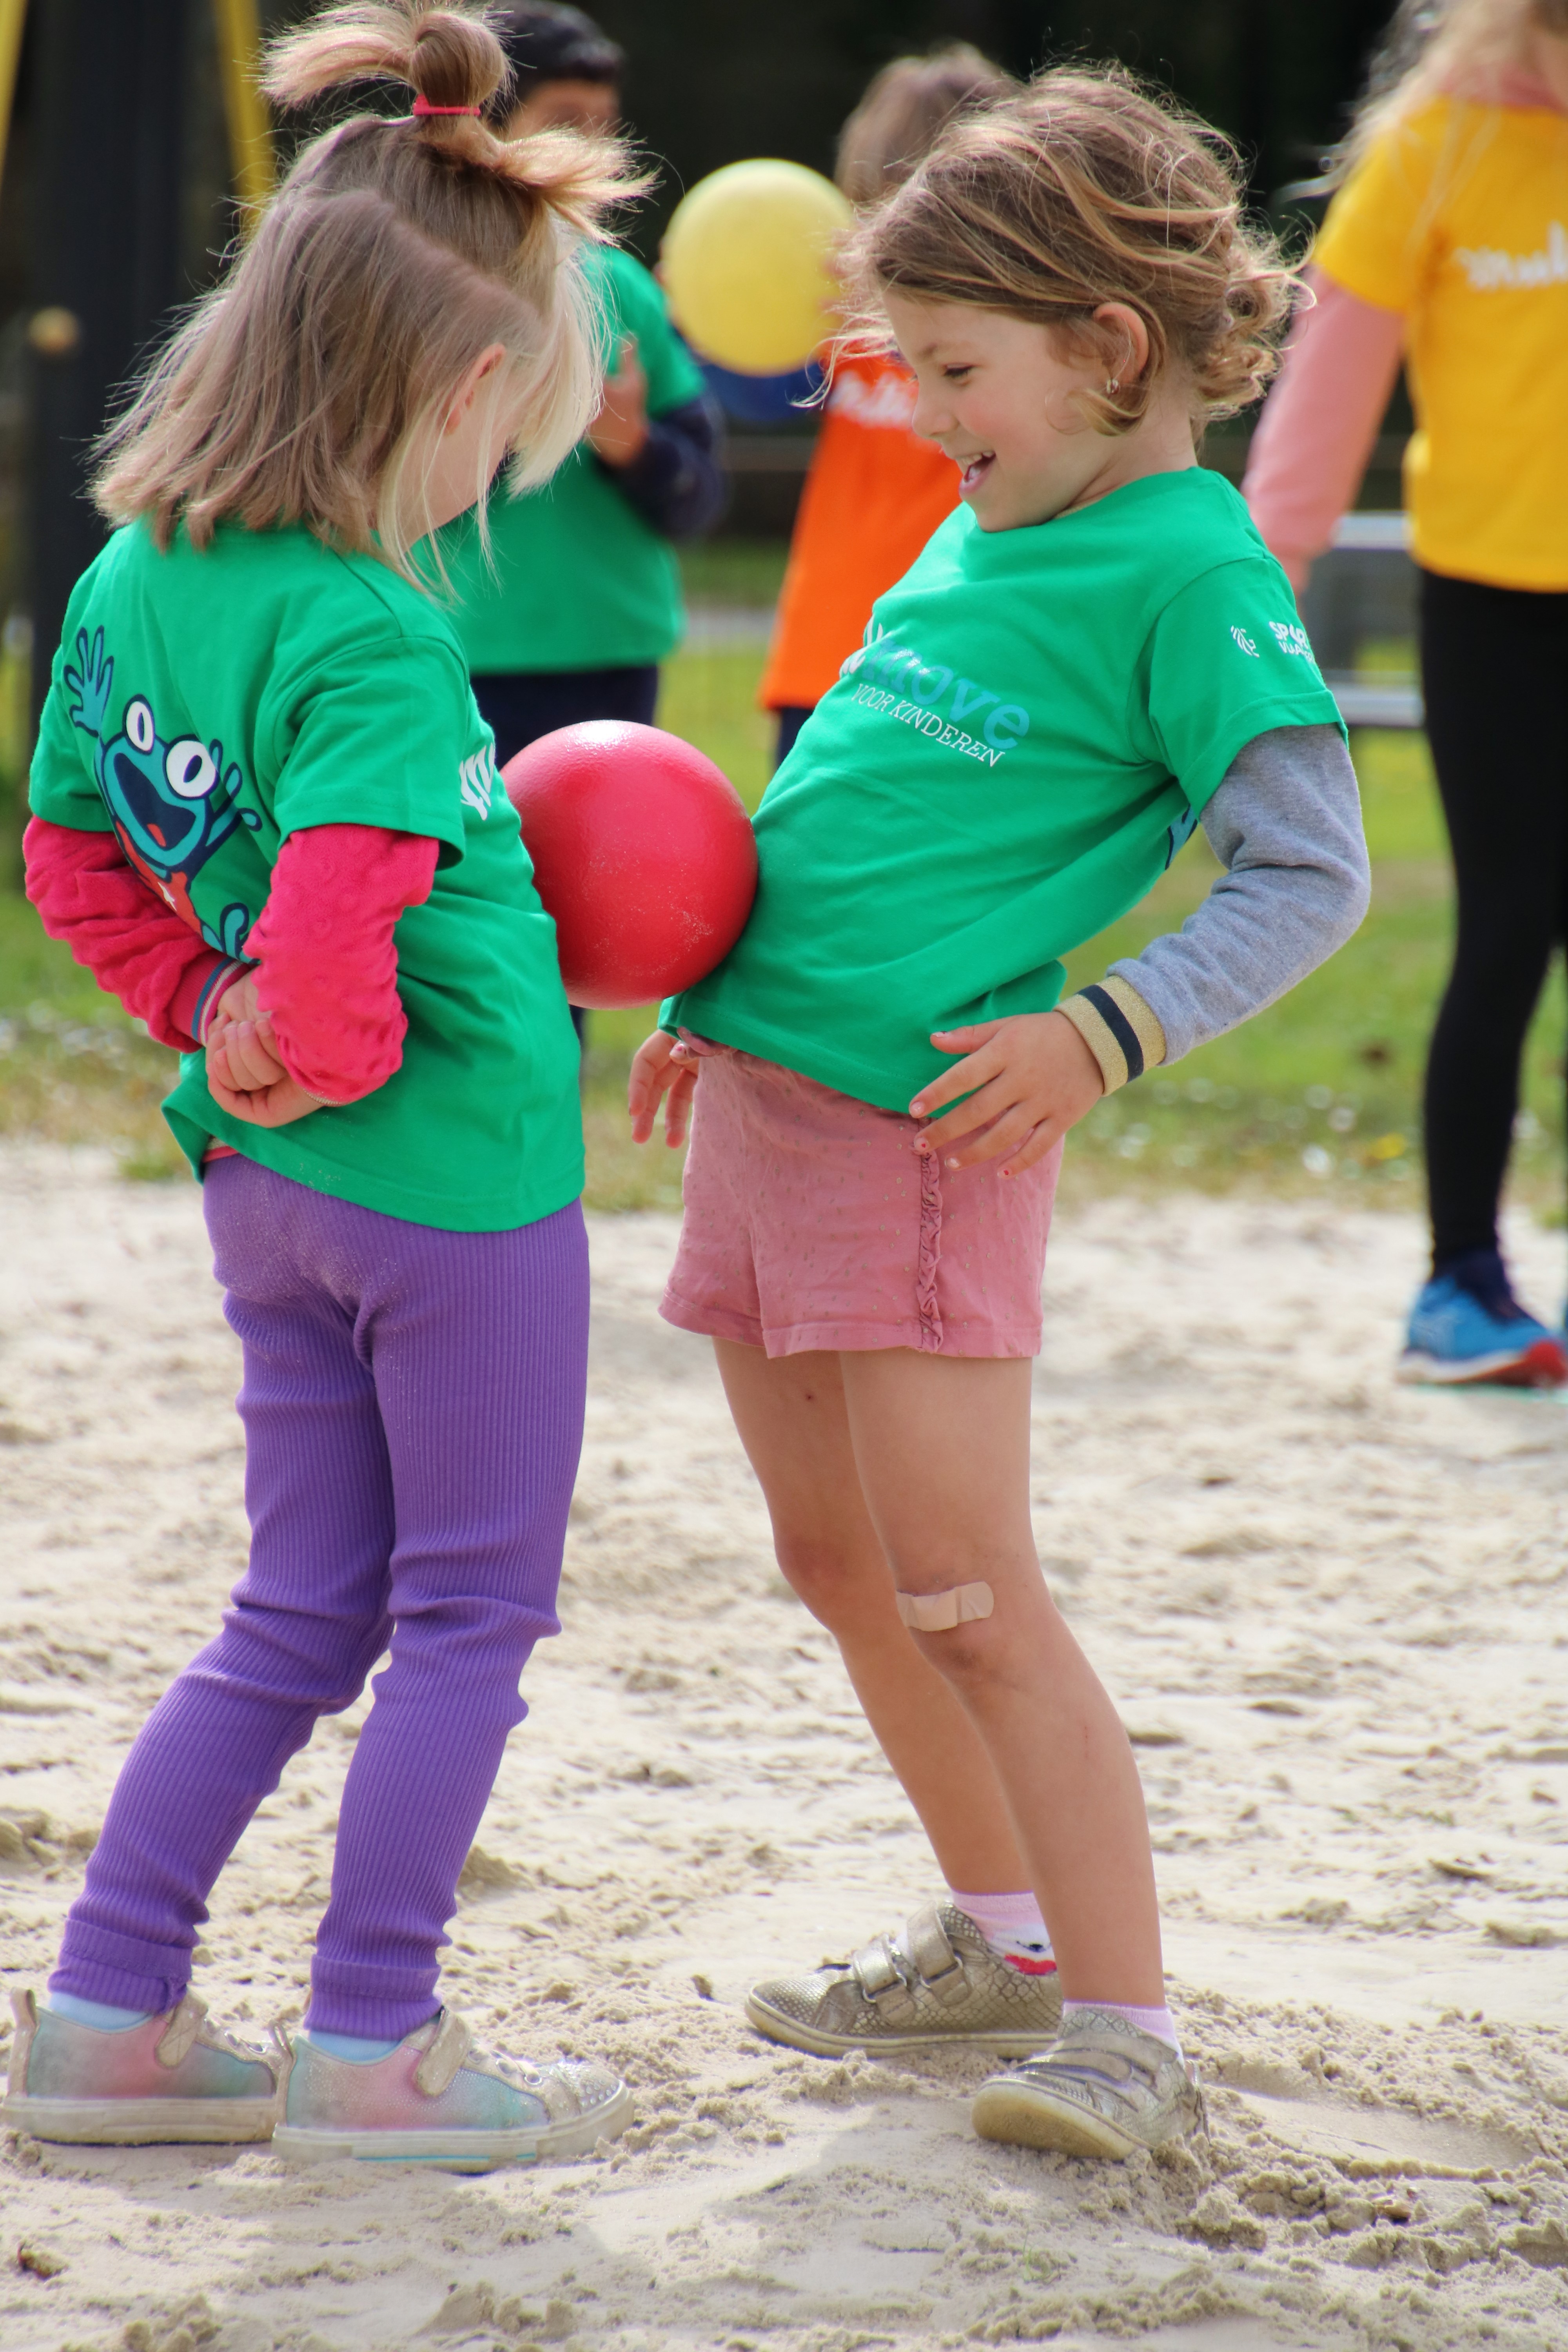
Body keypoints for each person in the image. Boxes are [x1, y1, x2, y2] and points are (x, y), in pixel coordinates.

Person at [628, 67, 1370, 2160]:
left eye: (958, 370)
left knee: (965, 1585)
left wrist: (1108, 1034)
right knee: (834, 1559)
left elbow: (1318, 873)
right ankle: (1001, 1940)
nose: (929, 415)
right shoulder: (986, 521)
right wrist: (713, 983)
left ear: (1110, 346)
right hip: (770, 1095)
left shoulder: (1187, 572)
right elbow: (850, 796)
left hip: (929, 1137)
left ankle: (1126, 2029)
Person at [4, 0, 638, 2172]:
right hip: (450, 1185)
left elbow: (65, 852)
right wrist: (297, 1017)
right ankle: (370, 2046)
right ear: (459, 394)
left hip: (264, 1197)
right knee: (471, 1609)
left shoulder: (126, 576)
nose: (501, 481)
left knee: (299, 1606)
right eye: (513, 437)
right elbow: (358, 912)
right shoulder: (371, 630)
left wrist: (204, 1020)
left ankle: (107, 2017)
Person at [1244, 0, 1568, 1387]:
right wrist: (1249, 608)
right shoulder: (1433, 151)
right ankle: (1460, 1284)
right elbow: (1323, 404)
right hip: (1497, 609)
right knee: (1509, 934)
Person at [441, 2, 725, 771]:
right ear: (483, 132)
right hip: (461, 651)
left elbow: (697, 498)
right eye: (566, 120)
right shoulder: (428, 289)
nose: (592, 149)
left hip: (611, 655)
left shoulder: (622, 288)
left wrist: (629, 444)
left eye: (605, 126)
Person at [760, 44, 1014, 769]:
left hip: (956, 664)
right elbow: (758, 396)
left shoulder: (1015, 332)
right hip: (826, 651)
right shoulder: (839, 314)